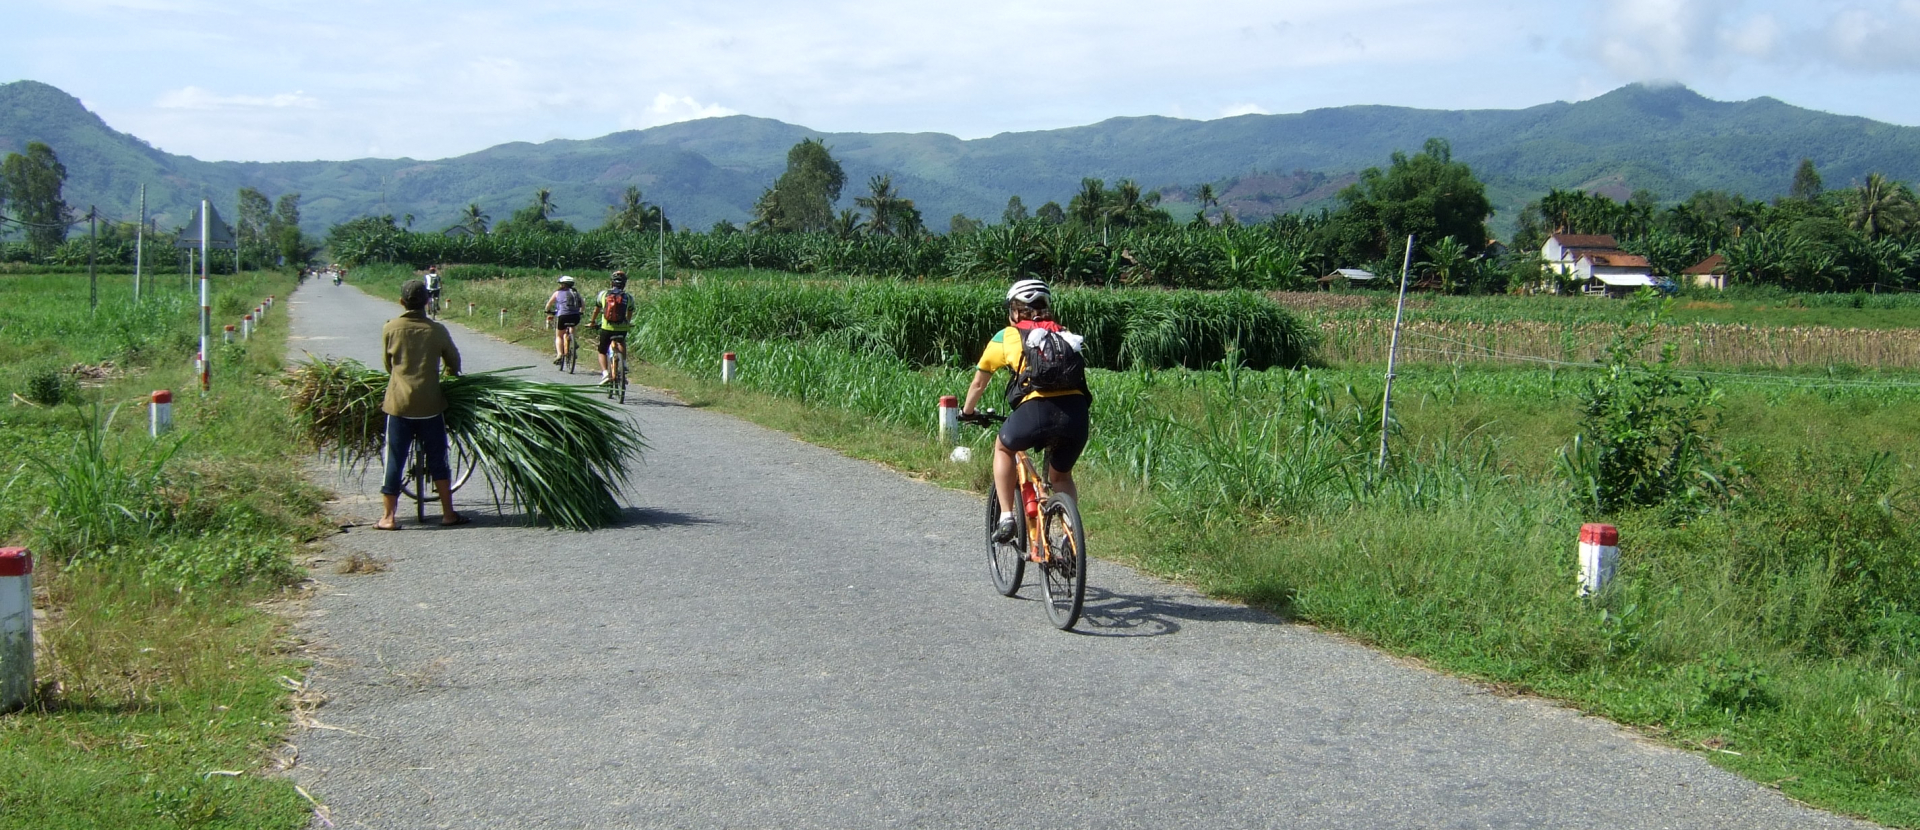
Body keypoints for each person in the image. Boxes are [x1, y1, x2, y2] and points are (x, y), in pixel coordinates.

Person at [960, 278, 1092, 542]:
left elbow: (979, 382)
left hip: (1035, 412)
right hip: (1076, 415)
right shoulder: (1064, 334)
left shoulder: (1006, 336)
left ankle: (1007, 516)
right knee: (1061, 476)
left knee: (1003, 447)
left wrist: (967, 411)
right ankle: (1070, 536)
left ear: (1015, 311)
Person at [375, 279, 467, 530]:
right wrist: (448, 373)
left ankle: (388, 517)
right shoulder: (437, 330)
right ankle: (448, 513)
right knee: (439, 457)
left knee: (394, 459)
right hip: (430, 406)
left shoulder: (390, 328)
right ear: (428, 301)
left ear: (401, 302)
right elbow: (454, 363)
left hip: (399, 406)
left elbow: (387, 365)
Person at [586, 270, 633, 385]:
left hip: (606, 328)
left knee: (602, 351)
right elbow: (630, 311)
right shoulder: (628, 297)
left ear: (611, 283)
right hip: (622, 328)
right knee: (621, 343)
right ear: (624, 284)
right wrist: (627, 322)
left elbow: (597, 309)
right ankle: (624, 364)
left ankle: (605, 374)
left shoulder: (603, 294)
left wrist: (592, 322)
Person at [544, 275, 584, 367]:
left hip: (563, 316)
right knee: (572, 326)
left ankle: (559, 354)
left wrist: (547, 311)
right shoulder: (576, 293)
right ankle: (573, 340)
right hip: (575, 316)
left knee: (559, 336)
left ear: (562, 284)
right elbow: (583, 305)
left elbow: (549, 304)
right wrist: (580, 312)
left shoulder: (558, 293)